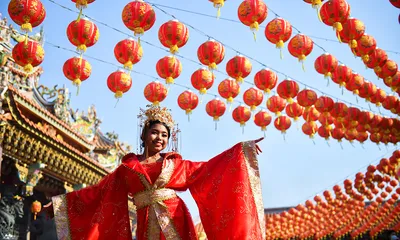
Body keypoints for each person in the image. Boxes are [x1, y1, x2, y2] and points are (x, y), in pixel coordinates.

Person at [50, 105, 266, 240]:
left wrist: (241, 150)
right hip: (145, 221)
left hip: (175, 217)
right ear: (144, 135)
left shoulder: (175, 164)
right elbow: (98, 191)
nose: (160, 138)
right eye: (155, 133)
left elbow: (208, 169)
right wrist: (61, 204)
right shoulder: (128, 168)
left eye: (164, 135)